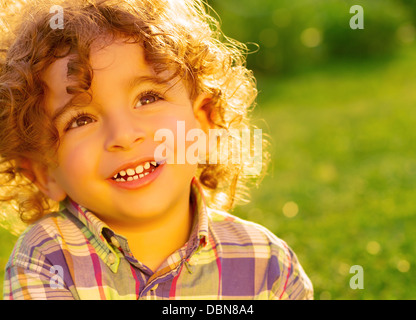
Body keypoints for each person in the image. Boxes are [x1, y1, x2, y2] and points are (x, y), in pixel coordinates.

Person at [0, 0, 313, 299]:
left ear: (204, 123)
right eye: (80, 119)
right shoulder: (47, 259)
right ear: (43, 172)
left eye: (147, 98)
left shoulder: (267, 265)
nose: (124, 135)